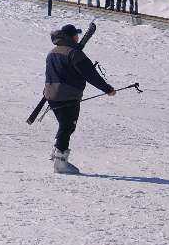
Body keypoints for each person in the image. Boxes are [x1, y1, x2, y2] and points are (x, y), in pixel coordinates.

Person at [42, 23, 115, 175]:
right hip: (67, 95)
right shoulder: (74, 53)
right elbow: (90, 74)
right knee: (68, 125)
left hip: (51, 95)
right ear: (71, 37)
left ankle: (58, 151)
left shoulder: (53, 52)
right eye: (76, 34)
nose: (78, 37)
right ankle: (60, 162)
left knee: (65, 125)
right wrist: (107, 89)